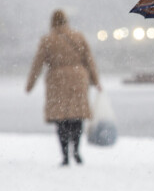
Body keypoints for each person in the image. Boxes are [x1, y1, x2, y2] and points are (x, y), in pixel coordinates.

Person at [26, 9, 102, 166]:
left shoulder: (47, 40)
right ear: (66, 20)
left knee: (61, 120)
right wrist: (95, 81)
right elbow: (89, 60)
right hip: (78, 79)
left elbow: (37, 64)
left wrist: (30, 84)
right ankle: (76, 150)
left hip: (57, 81)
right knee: (77, 117)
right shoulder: (78, 37)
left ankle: (65, 154)